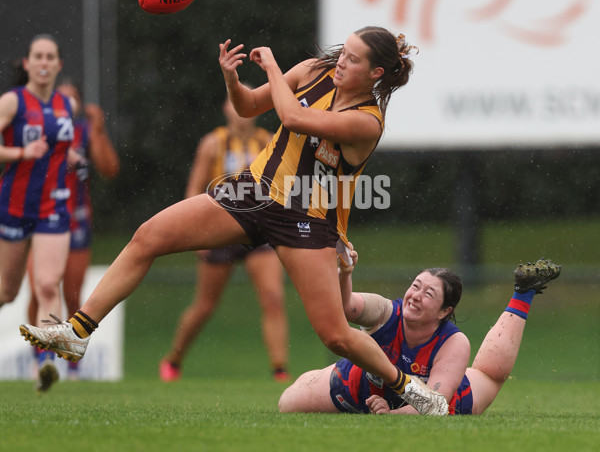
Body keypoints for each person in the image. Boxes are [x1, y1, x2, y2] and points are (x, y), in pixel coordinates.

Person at [19, 26, 446, 412]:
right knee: (148, 236)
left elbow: (293, 117)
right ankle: (78, 331)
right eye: (344, 52)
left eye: (353, 60)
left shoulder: (367, 122)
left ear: (375, 74)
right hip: (250, 191)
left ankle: (408, 387)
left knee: (335, 334)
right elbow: (247, 107)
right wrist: (232, 78)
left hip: (306, 218)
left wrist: (275, 67)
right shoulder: (318, 69)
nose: (341, 62)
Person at [278, 246, 561, 415]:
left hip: (436, 396)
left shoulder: (453, 342)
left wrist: (392, 416)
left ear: (444, 311)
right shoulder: (385, 311)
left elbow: (435, 405)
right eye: (415, 285)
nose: (415, 295)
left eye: (429, 293)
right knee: (286, 404)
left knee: (489, 375)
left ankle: (523, 294)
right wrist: (345, 274)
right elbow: (344, 307)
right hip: (355, 388)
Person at [159, 97, 290, 382]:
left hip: (259, 230)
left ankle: (280, 369)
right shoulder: (213, 143)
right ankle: (173, 360)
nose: (241, 110)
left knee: (272, 298)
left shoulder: (268, 140)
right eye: (234, 103)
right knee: (205, 305)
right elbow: (194, 189)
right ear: (226, 109)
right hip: (219, 230)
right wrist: (198, 233)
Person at [0, 34, 80, 392]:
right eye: (38, 56)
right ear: (27, 63)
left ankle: (45, 362)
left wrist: (71, 157)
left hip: (53, 207)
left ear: (59, 64)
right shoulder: (12, 102)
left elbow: (62, 148)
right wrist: (20, 154)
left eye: (51, 56)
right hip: (14, 205)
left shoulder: (68, 105)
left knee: (48, 284)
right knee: (6, 292)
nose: (44, 62)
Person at [26, 79, 120, 379]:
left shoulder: (82, 131)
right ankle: (39, 358)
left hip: (75, 221)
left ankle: (73, 364)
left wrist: (99, 128)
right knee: (39, 290)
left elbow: (110, 169)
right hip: (41, 218)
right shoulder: (39, 128)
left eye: (72, 98)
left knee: (73, 295)